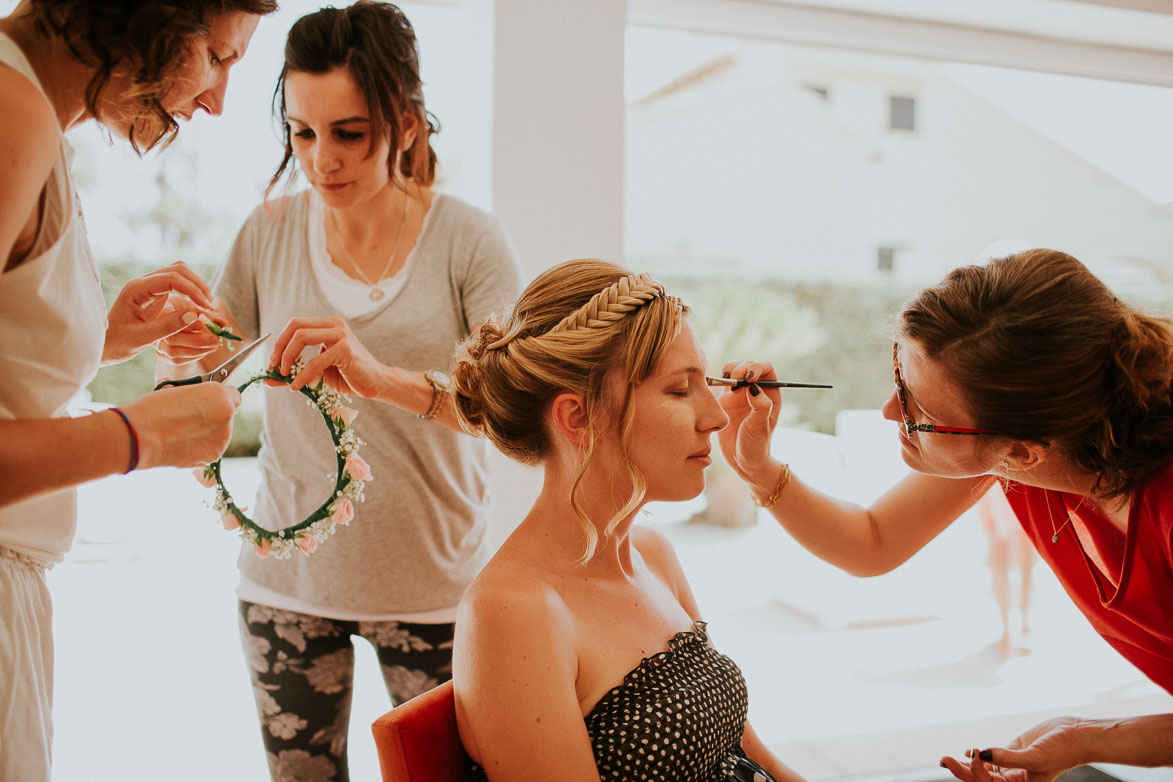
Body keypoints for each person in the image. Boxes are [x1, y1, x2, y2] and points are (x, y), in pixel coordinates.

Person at [156, 3, 523, 778]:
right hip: (287, 586)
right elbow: (204, 379)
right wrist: (177, 353)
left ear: (410, 125)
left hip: (435, 592)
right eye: (302, 132)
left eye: (349, 133)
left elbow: (511, 413)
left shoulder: (468, 240)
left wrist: (378, 376)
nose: (322, 159)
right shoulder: (267, 232)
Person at [717, 249, 1173, 780]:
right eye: (898, 372)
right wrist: (757, 467)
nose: (890, 409)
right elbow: (871, 542)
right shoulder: (1046, 448)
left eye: (918, 412)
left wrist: (1086, 739)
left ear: (1024, 451)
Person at [0, 0, 273, 778]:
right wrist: (141, 435)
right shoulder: (10, 112)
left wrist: (100, 335)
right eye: (219, 56)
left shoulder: (33, 113)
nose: (216, 99)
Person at [448, 259, 804, 782]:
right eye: (681, 391)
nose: (718, 415)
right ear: (578, 418)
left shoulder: (654, 556)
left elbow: (752, 755)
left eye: (706, 382)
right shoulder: (513, 612)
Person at [975, 481, 1035, 656]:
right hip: (996, 503)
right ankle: (1009, 630)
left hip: (1014, 506)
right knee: (1003, 573)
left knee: (1022, 573)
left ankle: (1021, 626)